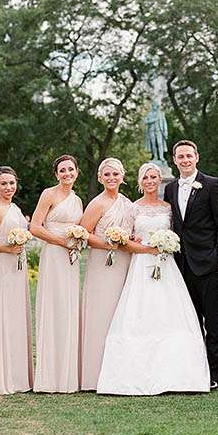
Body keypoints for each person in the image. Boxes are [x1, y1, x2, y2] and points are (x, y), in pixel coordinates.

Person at [97, 163, 211, 395]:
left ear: (159, 181)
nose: (150, 181)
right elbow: (125, 241)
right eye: (145, 178)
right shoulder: (133, 209)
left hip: (167, 267)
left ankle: (180, 375)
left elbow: (179, 234)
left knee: (171, 314)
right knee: (140, 314)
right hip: (141, 266)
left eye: (153, 177)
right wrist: (148, 250)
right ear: (139, 182)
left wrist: (166, 246)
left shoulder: (169, 208)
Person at [163, 140, 218, 388]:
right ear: (175, 160)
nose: (185, 160)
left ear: (196, 157)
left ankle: (214, 374)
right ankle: (194, 369)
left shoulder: (212, 185)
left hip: (209, 265)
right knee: (189, 322)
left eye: (189, 156)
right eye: (180, 157)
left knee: (213, 322)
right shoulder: (170, 188)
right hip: (181, 266)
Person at [77, 158, 135, 391]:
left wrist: (127, 242)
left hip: (124, 263)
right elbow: (84, 232)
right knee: (102, 312)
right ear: (100, 178)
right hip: (103, 264)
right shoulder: (97, 204)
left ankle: (120, 370)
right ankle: (95, 374)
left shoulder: (128, 204)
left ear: (123, 176)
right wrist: (108, 244)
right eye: (107, 175)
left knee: (121, 313)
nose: (112, 178)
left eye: (116, 174)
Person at [30, 155, 84, 394]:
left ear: (77, 172)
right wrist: (62, 241)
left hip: (71, 258)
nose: (67, 174)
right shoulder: (48, 195)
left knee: (68, 307)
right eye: (62, 170)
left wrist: (77, 241)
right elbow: (35, 227)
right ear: (56, 174)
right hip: (53, 254)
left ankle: (68, 373)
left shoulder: (78, 200)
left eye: (70, 170)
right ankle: (50, 375)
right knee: (53, 307)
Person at [0, 166, 33, 394]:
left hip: (20, 266)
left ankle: (19, 376)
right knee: (3, 315)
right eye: (4, 184)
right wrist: (5, 248)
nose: (9, 187)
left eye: (12, 183)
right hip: (4, 266)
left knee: (17, 315)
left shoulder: (15, 208)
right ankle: (2, 376)